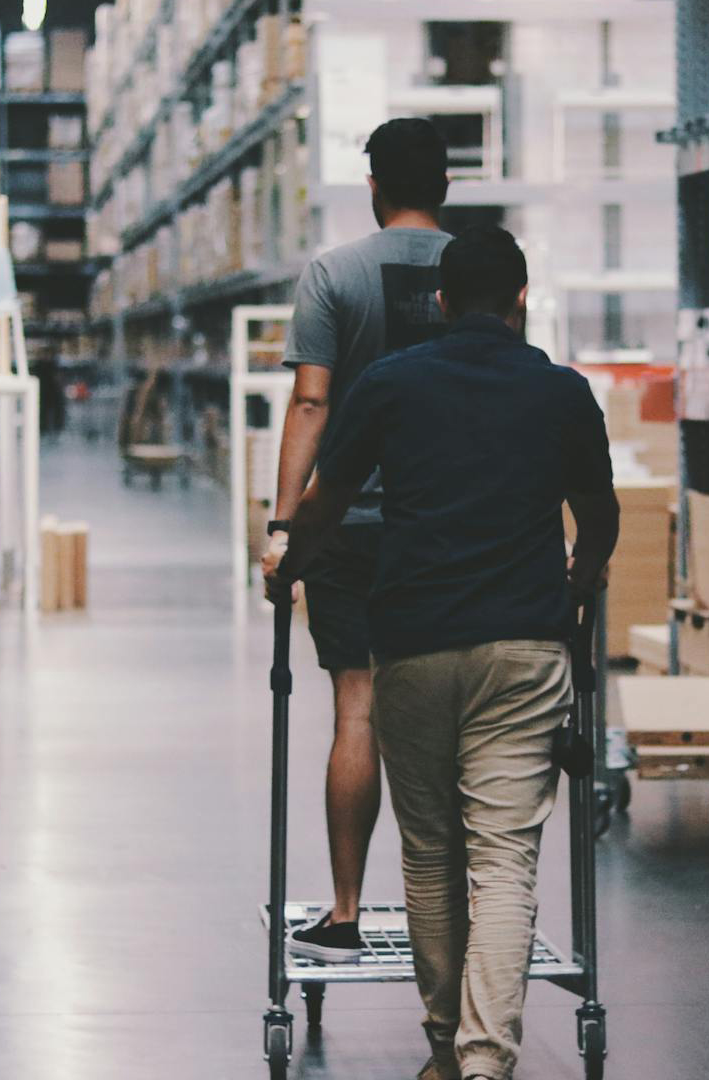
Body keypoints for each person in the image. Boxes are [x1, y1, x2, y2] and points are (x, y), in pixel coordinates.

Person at [265, 225, 620, 1080]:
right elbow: (600, 514)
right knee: (505, 861)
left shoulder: (389, 385)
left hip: (414, 644)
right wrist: (579, 579)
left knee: (430, 858)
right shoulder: (563, 391)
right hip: (526, 648)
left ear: (441, 303)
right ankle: (485, 1061)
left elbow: (326, 501)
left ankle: (440, 1051)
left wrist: (288, 562)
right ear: (522, 299)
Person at [269, 118, 454, 963]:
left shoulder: (334, 274)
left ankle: (345, 916)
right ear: (445, 185)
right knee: (450, 715)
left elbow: (311, 403)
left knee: (358, 709)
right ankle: (450, 915)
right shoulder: (480, 272)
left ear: (373, 185)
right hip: (450, 526)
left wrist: (283, 525)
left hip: (351, 527)